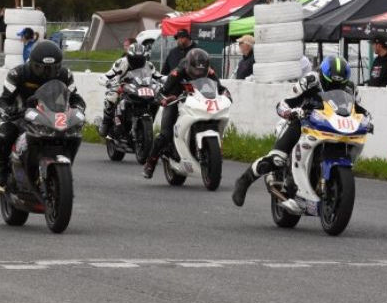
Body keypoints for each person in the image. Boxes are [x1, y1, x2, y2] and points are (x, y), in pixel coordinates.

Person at [231, 56, 369, 206]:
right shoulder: (310, 81)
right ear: (323, 76)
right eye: (331, 82)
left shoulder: (351, 88)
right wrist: (290, 112)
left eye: (339, 84)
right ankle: (244, 181)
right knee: (278, 158)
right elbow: (285, 103)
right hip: (303, 121)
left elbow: (360, 110)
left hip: (330, 125)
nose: (335, 87)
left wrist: (367, 120)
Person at [0, 41, 85, 190]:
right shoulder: (18, 74)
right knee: (4, 135)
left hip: (53, 115)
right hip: (22, 115)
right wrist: (8, 110)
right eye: (42, 68)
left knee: (74, 135)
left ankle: (61, 168)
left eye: (53, 68)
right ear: (33, 63)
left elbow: (76, 99)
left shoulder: (65, 75)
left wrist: (78, 109)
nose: (48, 73)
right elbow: (2, 100)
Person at [143, 49, 231, 178]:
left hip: (197, 101)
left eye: (202, 71)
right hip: (176, 100)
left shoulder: (209, 71)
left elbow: (219, 87)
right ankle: (150, 163)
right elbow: (163, 90)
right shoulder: (177, 72)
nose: (199, 73)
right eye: (196, 70)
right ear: (189, 66)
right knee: (165, 134)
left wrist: (226, 94)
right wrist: (162, 98)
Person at [98, 40, 161, 137]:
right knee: (112, 97)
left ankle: (147, 123)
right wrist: (109, 83)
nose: (137, 62)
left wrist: (168, 80)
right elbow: (106, 76)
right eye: (134, 59)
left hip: (141, 87)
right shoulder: (121, 63)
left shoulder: (149, 65)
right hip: (123, 87)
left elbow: (159, 77)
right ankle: (105, 123)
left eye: (140, 59)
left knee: (156, 100)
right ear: (129, 57)